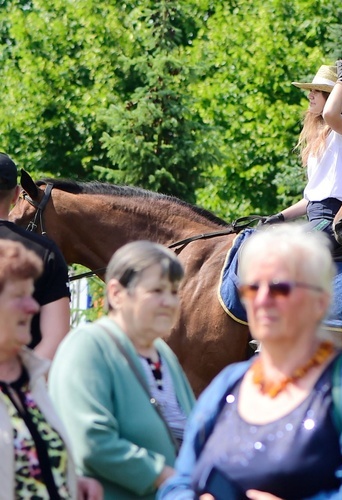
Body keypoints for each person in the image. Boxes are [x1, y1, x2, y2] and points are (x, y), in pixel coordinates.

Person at [158, 223, 342, 499]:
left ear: (320, 301)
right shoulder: (228, 385)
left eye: (279, 287)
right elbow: (180, 482)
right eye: (252, 287)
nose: (262, 299)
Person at [48, 241, 196, 499]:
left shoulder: (162, 353)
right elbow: (93, 442)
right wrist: (166, 478)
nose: (169, 301)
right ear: (116, 293)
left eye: (174, 292)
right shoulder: (88, 346)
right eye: (157, 290)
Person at [0, 239, 102, 499]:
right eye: (19, 296)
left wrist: (68, 481)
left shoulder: (30, 380)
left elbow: (30, 460)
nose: (34, 307)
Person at [261, 60, 342, 259]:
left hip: (331, 221)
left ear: (334, 95)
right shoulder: (322, 137)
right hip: (317, 218)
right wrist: (280, 217)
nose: (310, 95)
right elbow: (312, 198)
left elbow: (329, 113)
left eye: (317, 91)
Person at [0, 152, 71, 360]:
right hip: (23, 385)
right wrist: (19, 386)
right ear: (16, 195)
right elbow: (56, 339)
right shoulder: (46, 252)